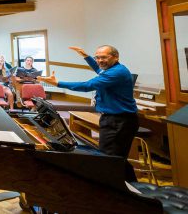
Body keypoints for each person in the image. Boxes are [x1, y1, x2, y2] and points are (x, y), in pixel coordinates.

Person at [38, 45, 139, 182]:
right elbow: (98, 69)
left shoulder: (116, 73)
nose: (99, 60)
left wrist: (58, 83)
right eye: (97, 57)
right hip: (114, 119)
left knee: (110, 159)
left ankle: (120, 192)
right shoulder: (111, 69)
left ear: (116, 57)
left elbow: (87, 86)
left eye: (104, 57)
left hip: (119, 121)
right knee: (115, 158)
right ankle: (133, 189)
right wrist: (86, 56)